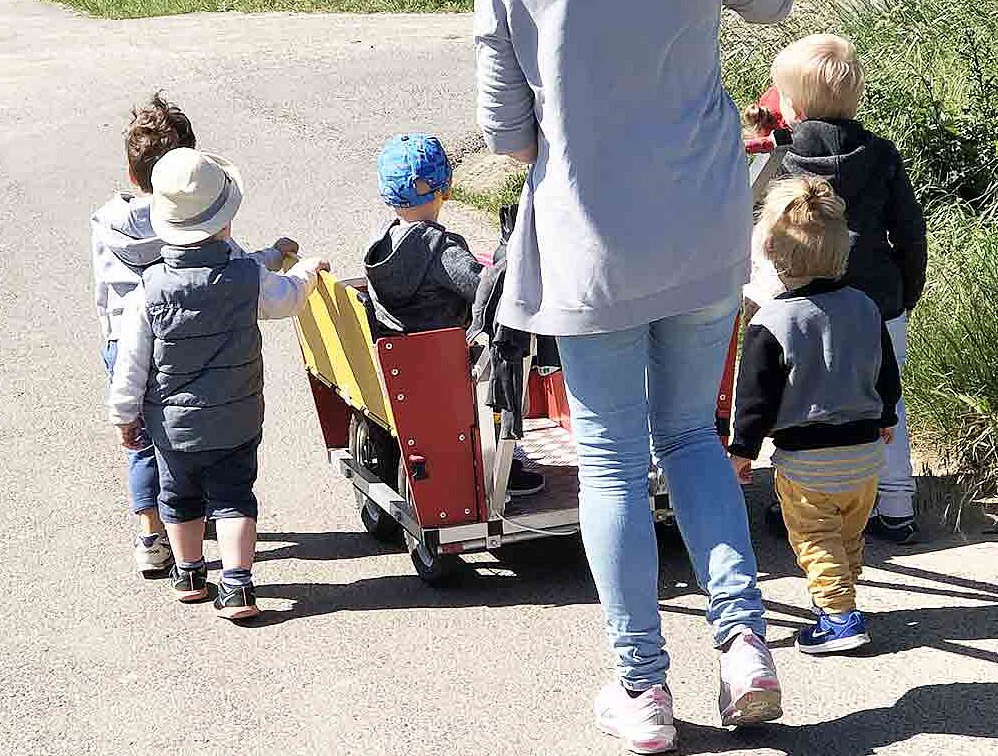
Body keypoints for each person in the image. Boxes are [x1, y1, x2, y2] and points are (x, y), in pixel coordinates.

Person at [475, 1, 792, 751]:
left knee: (612, 464)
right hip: (700, 218)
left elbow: (507, 135)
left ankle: (640, 686)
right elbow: (772, 9)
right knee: (690, 436)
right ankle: (743, 643)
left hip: (590, 238)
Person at [108, 148, 328, 619]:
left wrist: (125, 416)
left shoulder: (149, 288)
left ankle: (189, 572)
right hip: (236, 418)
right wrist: (306, 271)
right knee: (233, 498)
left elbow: (131, 363)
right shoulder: (246, 276)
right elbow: (286, 299)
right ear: (226, 222)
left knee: (179, 497)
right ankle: (237, 586)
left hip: (173, 427)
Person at [764, 34, 928, 544]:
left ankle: (799, 500)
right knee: (886, 400)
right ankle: (895, 504)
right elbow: (909, 228)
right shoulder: (881, 154)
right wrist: (908, 287)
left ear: (790, 101)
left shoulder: (781, 159)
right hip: (878, 297)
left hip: (798, 300)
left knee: (796, 397)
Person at [729, 178, 901, 654]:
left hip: (807, 461)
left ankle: (840, 619)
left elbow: (755, 399)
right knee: (848, 532)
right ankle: (843, 596)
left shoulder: (772, 322)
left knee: (816, 539)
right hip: (867, 454)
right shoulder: (865, 307)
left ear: (769, 252)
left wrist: (742, 452)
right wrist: (887, 414)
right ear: (843, 251)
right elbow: (884, 369)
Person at [365, 132, 544, 496]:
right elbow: (486, 289)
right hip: (448, 366)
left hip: (407, 361)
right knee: (510, 356)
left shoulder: (383, 245)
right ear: (442, 189)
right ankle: (503, 464)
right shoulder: (439, 250)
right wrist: (509, 257)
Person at [91, 93, 196, 576]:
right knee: (181, 430)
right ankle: (189, 515)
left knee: (140, 442)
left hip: (120, 340)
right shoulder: (186, 217)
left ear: (132, 173)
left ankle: (152, 536)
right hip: (179, 337)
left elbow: (103, 285)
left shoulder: (107, 221)